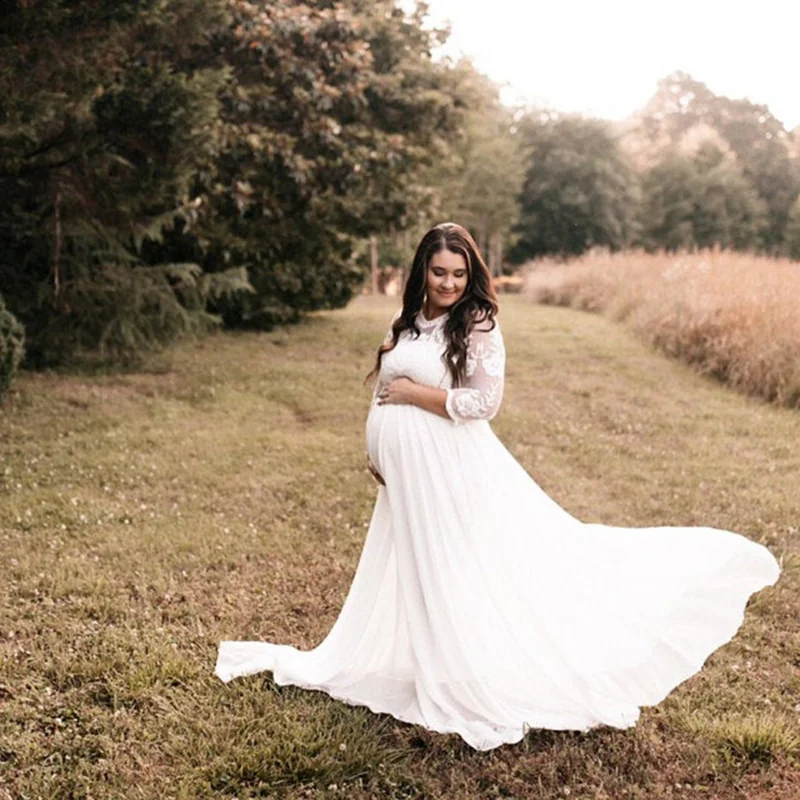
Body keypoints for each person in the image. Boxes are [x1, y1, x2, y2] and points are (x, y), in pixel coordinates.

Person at [215, 222, 781, 751]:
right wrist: (375, 450)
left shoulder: (480, 324)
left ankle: (460, 671)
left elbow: (483, 403)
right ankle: (428, 658)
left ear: (472, 276)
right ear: (422, 271)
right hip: (405, 474)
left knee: (456, 564)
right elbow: (383, 386)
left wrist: (417, 397)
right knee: (415, 565)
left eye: (459, 275)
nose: (449, 284)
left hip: (451, 466)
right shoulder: (407, 318)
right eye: (439, 273)